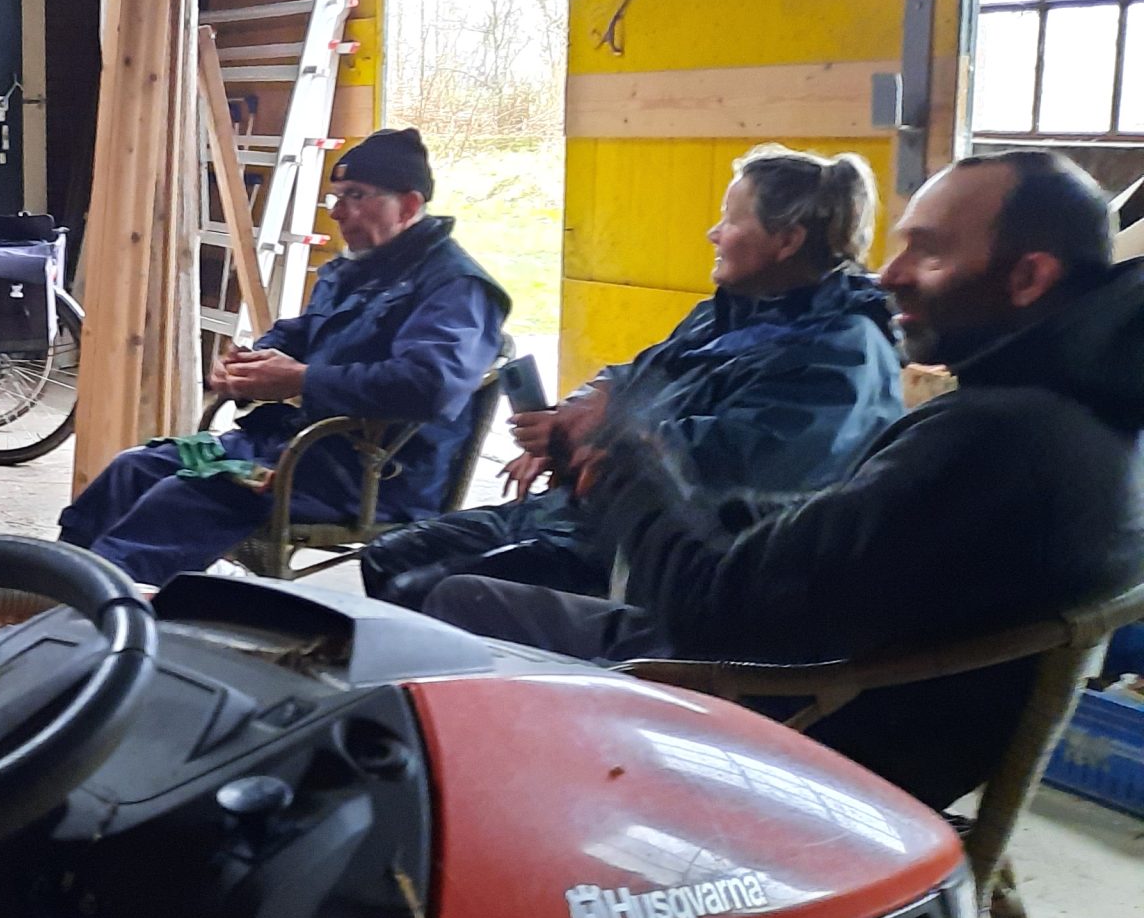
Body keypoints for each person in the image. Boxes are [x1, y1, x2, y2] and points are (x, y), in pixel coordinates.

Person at [417, 150, 1144, 807]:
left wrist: (630, 460)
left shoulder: (999, 437)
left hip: (791, 735)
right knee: (457, 588)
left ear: (1028, 276)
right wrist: (701, 497)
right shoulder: (1077, 418)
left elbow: (711, 607)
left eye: (924, 253)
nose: (888, 275)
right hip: (830, 684)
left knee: (449, 611)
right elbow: (847, 531)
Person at [362, 146, 903, 606]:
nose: (714, 233)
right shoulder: (726, 310)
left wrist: (597, 438)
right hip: (588, 514)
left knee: (435, 594)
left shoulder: (842, 355)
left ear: (787, 240)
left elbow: (736, 463)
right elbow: (630, 376)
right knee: (387, 558)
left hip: (662, 554)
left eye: (732, 220)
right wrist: (568, 419)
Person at [56, 128, 510, 588]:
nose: (337, 212)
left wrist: (302, 380)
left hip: (369, 473)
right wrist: (250, 364)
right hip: (293, 447)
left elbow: (430, 385)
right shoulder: (356, 267)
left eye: (355, 196)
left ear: (409, 206)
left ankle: (106, 615)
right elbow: (304, 332)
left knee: (184, 497)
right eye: (336, 196)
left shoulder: (456, 287)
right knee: (132, 468)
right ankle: (44, 591)